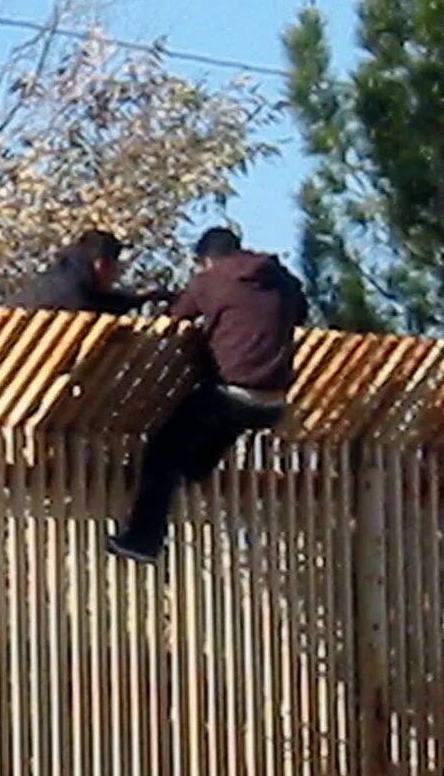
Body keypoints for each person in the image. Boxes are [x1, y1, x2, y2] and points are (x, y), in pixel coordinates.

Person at [108, 227, 308, 565]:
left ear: (207, 260)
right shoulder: (282, 280)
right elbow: (300, 310)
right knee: (198, 452)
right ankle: (194, 472)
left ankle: (143, 540)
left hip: (230, 393)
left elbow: (175, 319)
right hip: (274, 400)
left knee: (162, 453)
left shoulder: (211, 280)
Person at [13, 229, 168, 315]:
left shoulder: (54, 281)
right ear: (101, 265)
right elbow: (106, 303)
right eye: (116, 265)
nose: (118, 273)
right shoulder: (77, 299)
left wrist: (141, 298)